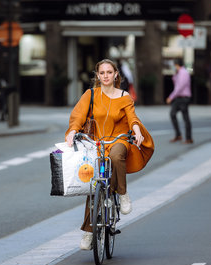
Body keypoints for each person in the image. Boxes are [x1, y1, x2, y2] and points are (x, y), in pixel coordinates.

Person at [65, 59, 154, 250]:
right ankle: (89, 232)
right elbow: (78, 116)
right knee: (95, 185)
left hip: (118, 140)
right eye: (102, 73)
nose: (106, 76)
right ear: (98, 76)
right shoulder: (90, 95)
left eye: (109, 72)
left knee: (116, 156)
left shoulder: (124, 96)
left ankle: (122, 193)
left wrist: (137, 130)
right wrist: (73, 131)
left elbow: (132, 118)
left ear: (116, 75)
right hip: (96, 142)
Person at [166, 58, 193, 144]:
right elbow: (176, 84)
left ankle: (188, 138)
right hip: (179, 98)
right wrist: (175, 75)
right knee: (172, 114)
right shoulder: (179, 73)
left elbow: (179, 87)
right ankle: (178, 135)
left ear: (176, 65)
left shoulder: (184, 73)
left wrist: (171, 97)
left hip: (183, 98)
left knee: (185, 118)